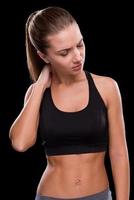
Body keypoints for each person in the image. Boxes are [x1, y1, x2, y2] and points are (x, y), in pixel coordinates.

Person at [9, 6, 130, 200]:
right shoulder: (37, 93)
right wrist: (40, 84)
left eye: (80, 45)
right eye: (64, 52)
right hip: (49, 196)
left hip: (98, 195)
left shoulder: (107, 87)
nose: (77, 57)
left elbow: (119, 153)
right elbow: (21, 143)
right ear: (43, 56)